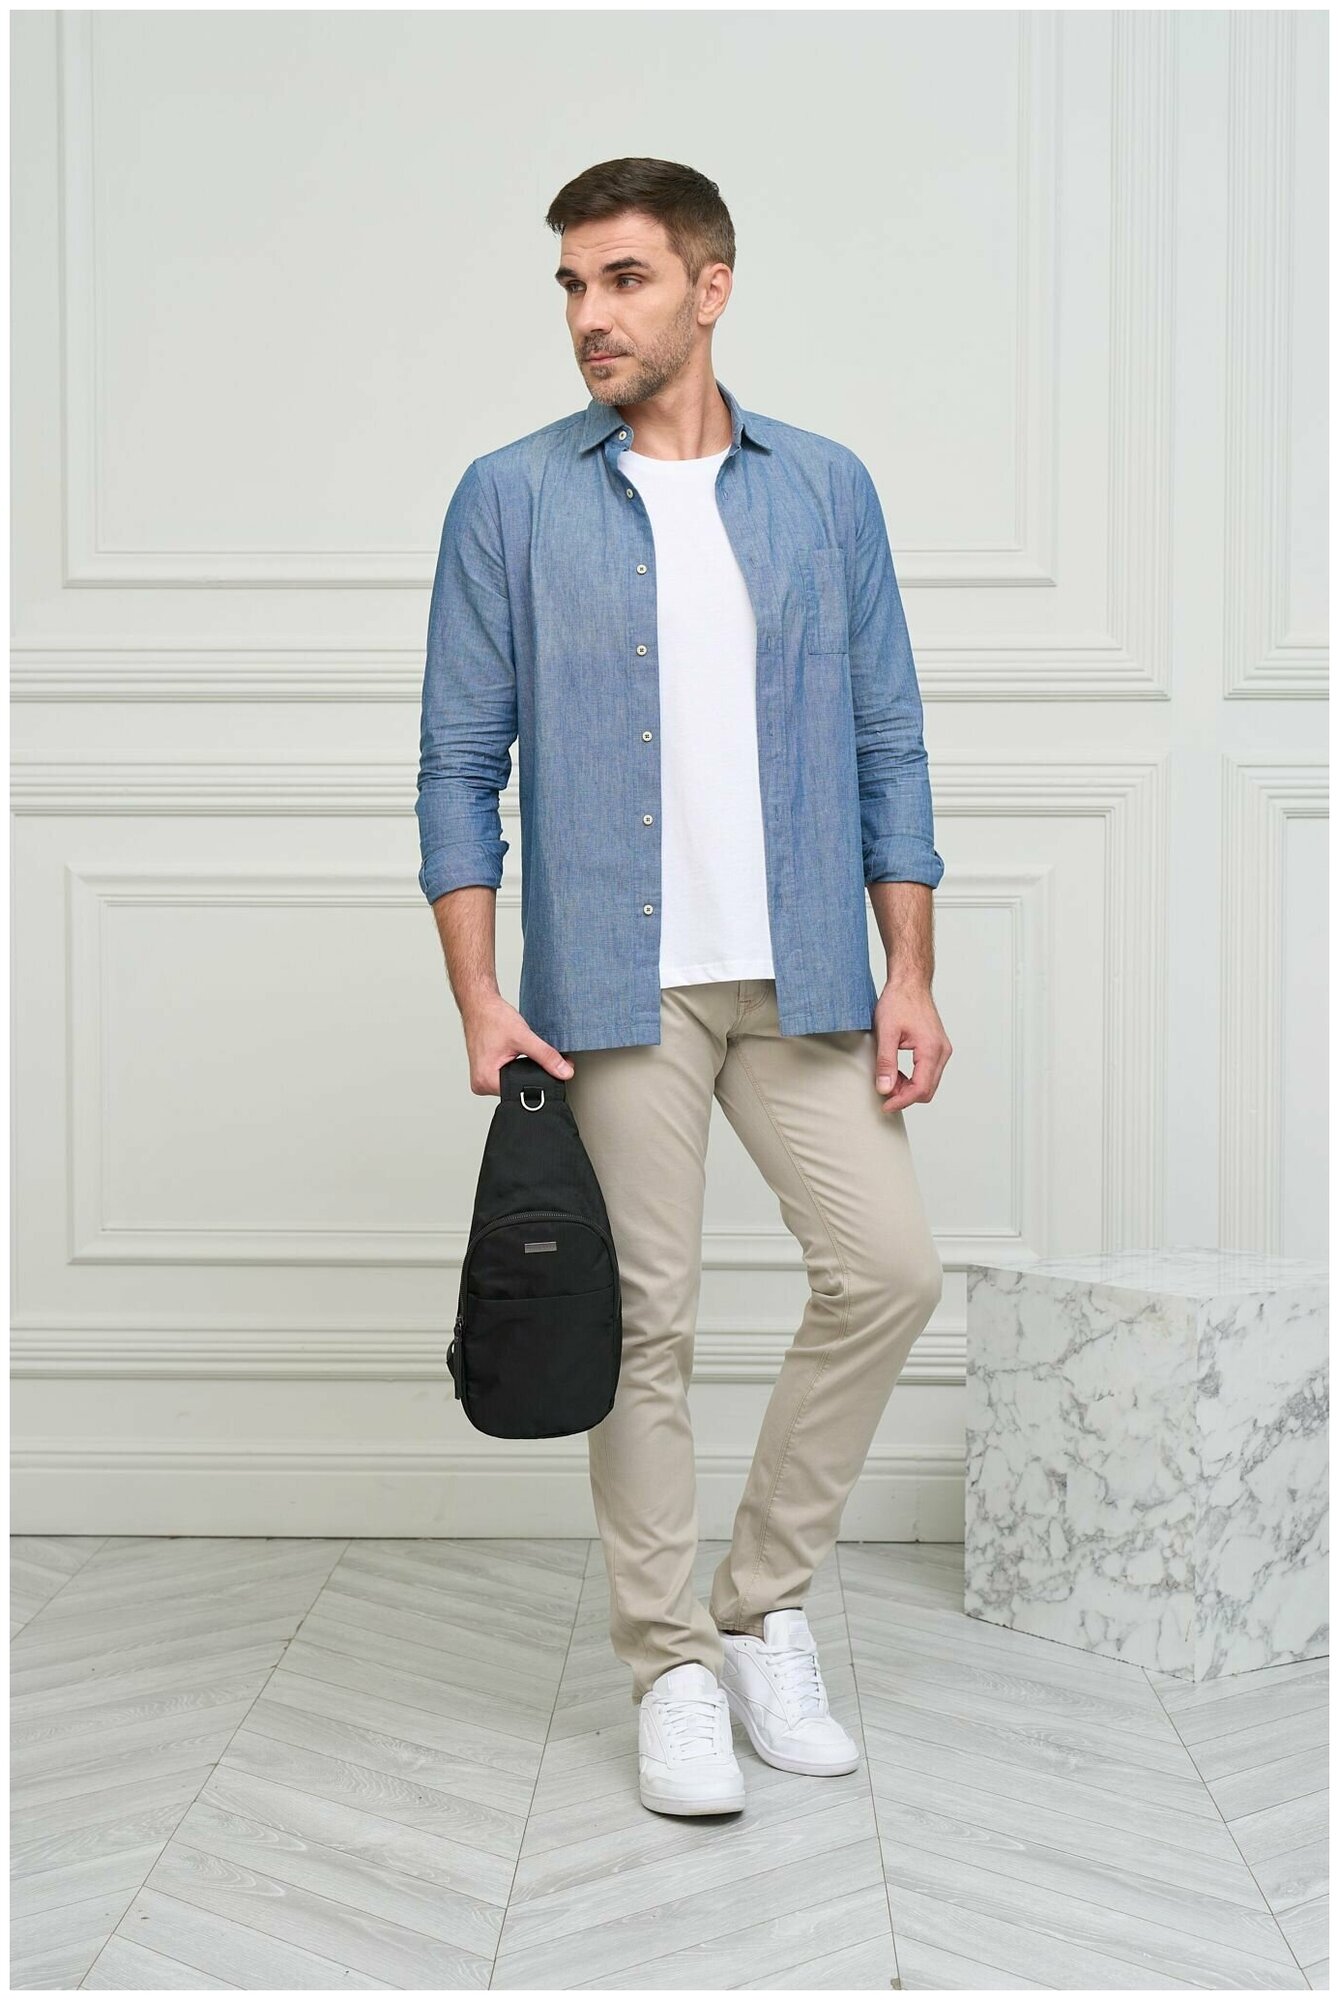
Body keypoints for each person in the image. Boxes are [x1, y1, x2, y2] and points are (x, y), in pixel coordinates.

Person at [416, 157, 952, 1818]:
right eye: (572, 285)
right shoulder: (509, 499)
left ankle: (762, 1605)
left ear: (711, 289)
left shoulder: (826, 491)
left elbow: (888, 740)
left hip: (806, 975)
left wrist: (911, 968)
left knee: (889, 1272)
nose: (591, 314)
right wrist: (479, 990)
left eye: (625, 279)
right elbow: (458, 764)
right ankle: (668, 1670)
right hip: (612, 992)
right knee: (647, 1329)